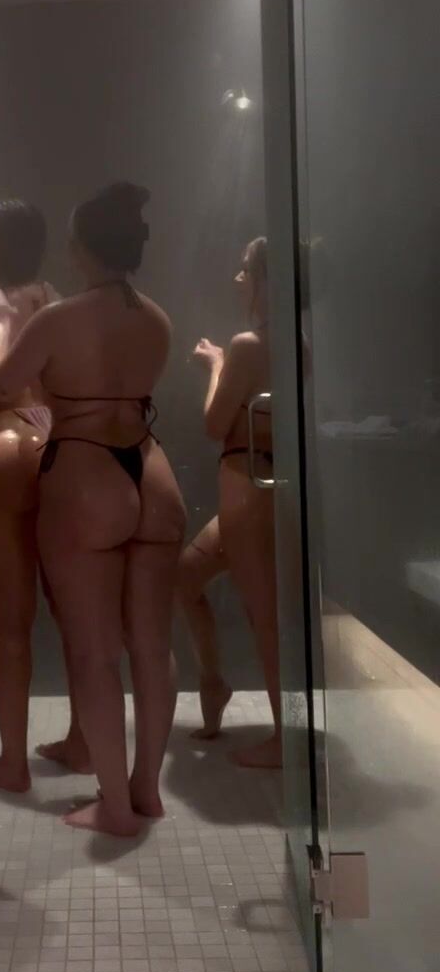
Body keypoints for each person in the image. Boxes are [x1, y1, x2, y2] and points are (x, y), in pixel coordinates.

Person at [0, 183, 186, 837]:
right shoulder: (157, 319)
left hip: (85, 472)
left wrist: (4, 324)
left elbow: (0, 384)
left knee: (94, 654)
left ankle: (116, 808)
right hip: (152, 472)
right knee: (153, 646)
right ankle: (146, 789)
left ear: (79, 248)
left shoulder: (57, 319)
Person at [0, 200, 90, 793]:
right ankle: (85, 743)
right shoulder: (56, 304)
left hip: (4, 444)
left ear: (3, 244)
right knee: (73, 613)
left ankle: (12, 763)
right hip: (56, 444)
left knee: (11, 623)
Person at [178, 236, 280, 767]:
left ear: (266, 280)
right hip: (256, 488)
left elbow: (215, 422)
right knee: (185, 576)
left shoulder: (247, 345)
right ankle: (213, 682)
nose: (238, 279)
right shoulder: (295, 343)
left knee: (264, 615)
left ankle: (285, 738)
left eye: (246, 270)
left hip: (246, 487)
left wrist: (215, 363)